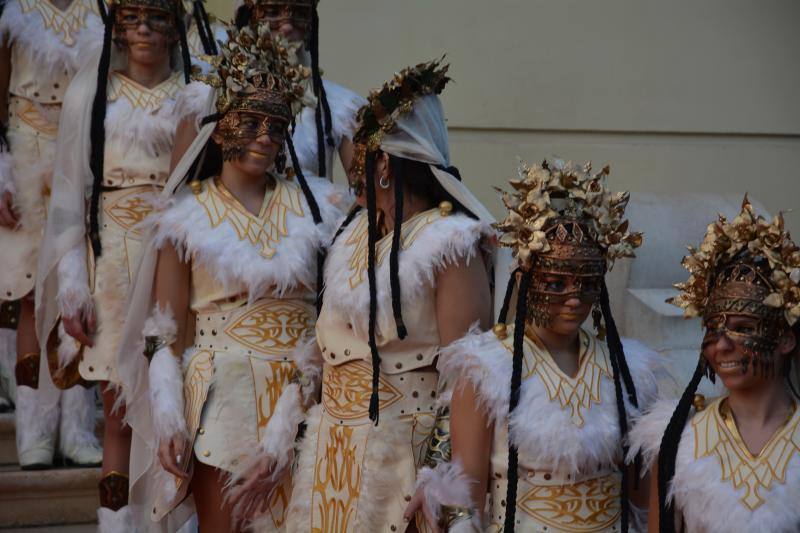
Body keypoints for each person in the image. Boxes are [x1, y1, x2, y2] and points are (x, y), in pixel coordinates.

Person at [115, 20, 345, 532]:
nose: (265, 137)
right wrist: (169, 418)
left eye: (276, 126)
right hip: (221, 390)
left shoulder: (320, 207)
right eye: (251, 123)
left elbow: (334, 312)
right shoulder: (184, 216)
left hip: (304, 390)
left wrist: (305, 389)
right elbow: (164, 331)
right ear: (220, 128)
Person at [283, 58, 497, 533]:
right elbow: (327, 347)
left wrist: (450, 487)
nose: (350, 164)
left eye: (362, 152)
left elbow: (468, 376)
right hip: (331, 455)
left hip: (403, 460)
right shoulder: (353, 231)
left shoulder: (449, 242)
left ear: (383, 162)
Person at [411, 159, 659, 532]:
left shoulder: (631, 370)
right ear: (526, 276)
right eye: (557, 283)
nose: (574, 298)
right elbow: (466, 494)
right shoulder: (485, 368)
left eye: (586, 282)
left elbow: (640, 495)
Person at [34, 0, 206, 527]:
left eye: (157, 18)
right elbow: (69, 192)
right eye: (133, 19)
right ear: (118, 27)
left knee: (179, 399)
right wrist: (72, 283)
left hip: (176, 259)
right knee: (118, 409)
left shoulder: (193, 98)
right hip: (112, 256)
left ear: (177, 30)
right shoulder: (93, 93)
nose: (145, 31)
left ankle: (170, 520)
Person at [629, 196, 800, 533]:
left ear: (785, 339)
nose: (722, 345)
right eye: (713, 329)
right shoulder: (679, 438)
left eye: (744, 328)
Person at [0, 0, 102, 469]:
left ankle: (78, 427)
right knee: (29, 295)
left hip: (82, 156)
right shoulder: (13, 12)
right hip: (26, 153)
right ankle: (34, 432)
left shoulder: (100, 10)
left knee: (82, 290)